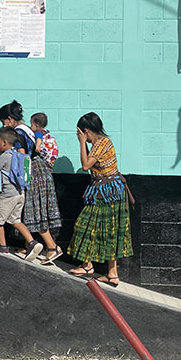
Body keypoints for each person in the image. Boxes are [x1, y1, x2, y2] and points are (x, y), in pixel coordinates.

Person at [68, 112, 133, 285]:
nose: (82, 137)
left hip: (107, 192)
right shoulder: (101, 144)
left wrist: (81, 144)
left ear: (87, 131)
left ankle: (88, 266)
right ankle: (112, 274)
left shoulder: (102, 143)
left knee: (84, 225)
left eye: (81, 134)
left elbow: (85, 165)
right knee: (108, 231)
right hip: (107, 191)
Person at [0, 101, 62, 264]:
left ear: (10, 119)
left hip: (32, 171)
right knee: (33, 209)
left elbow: (22, 156)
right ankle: (29, 245)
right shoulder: (28, 128)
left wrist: (20, 178)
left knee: (35, 210)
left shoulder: (18, 134)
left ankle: (52, 247)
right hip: (41, 168)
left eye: (4, 122)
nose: (4, 126)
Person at [0, 127, 43, 260]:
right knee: (15, 220)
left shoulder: (5, 156)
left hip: (8, 195)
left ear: (4, 143)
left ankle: (2, 246)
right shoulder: (18, 155)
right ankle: (32, 242)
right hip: (20, 193)